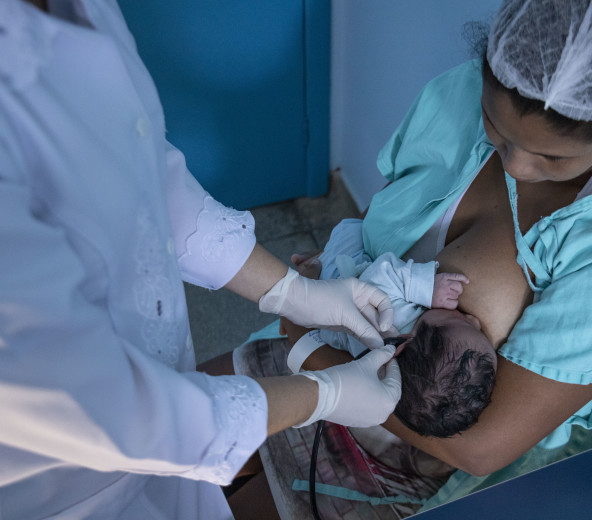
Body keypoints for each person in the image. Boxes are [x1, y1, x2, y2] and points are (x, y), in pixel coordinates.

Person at [280, 0, 592, 513]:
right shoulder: (456, 94)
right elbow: (381, 220)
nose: (516, 166)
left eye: (554, 156)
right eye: (495, 127)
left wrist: (302, 335)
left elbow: (479, 451)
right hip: (325, 333)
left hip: (423, 455)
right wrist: (333, 270)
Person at [0, 1, 402, 519]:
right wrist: (321, 396)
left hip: (159, 433)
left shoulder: (83, 9)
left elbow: (148, 176)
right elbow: (107, 409)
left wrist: (294, 292)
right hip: (63, 488)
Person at [280, 218, 496, 438]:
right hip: (330, 318)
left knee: (352, 228)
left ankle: (315, 262)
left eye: (460, 321)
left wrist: (426, 287)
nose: (474, 320)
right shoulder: (383, 364)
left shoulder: (394, 318)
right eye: (476, 328)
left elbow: (379, 275)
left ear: (405, 341)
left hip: (339, 268)